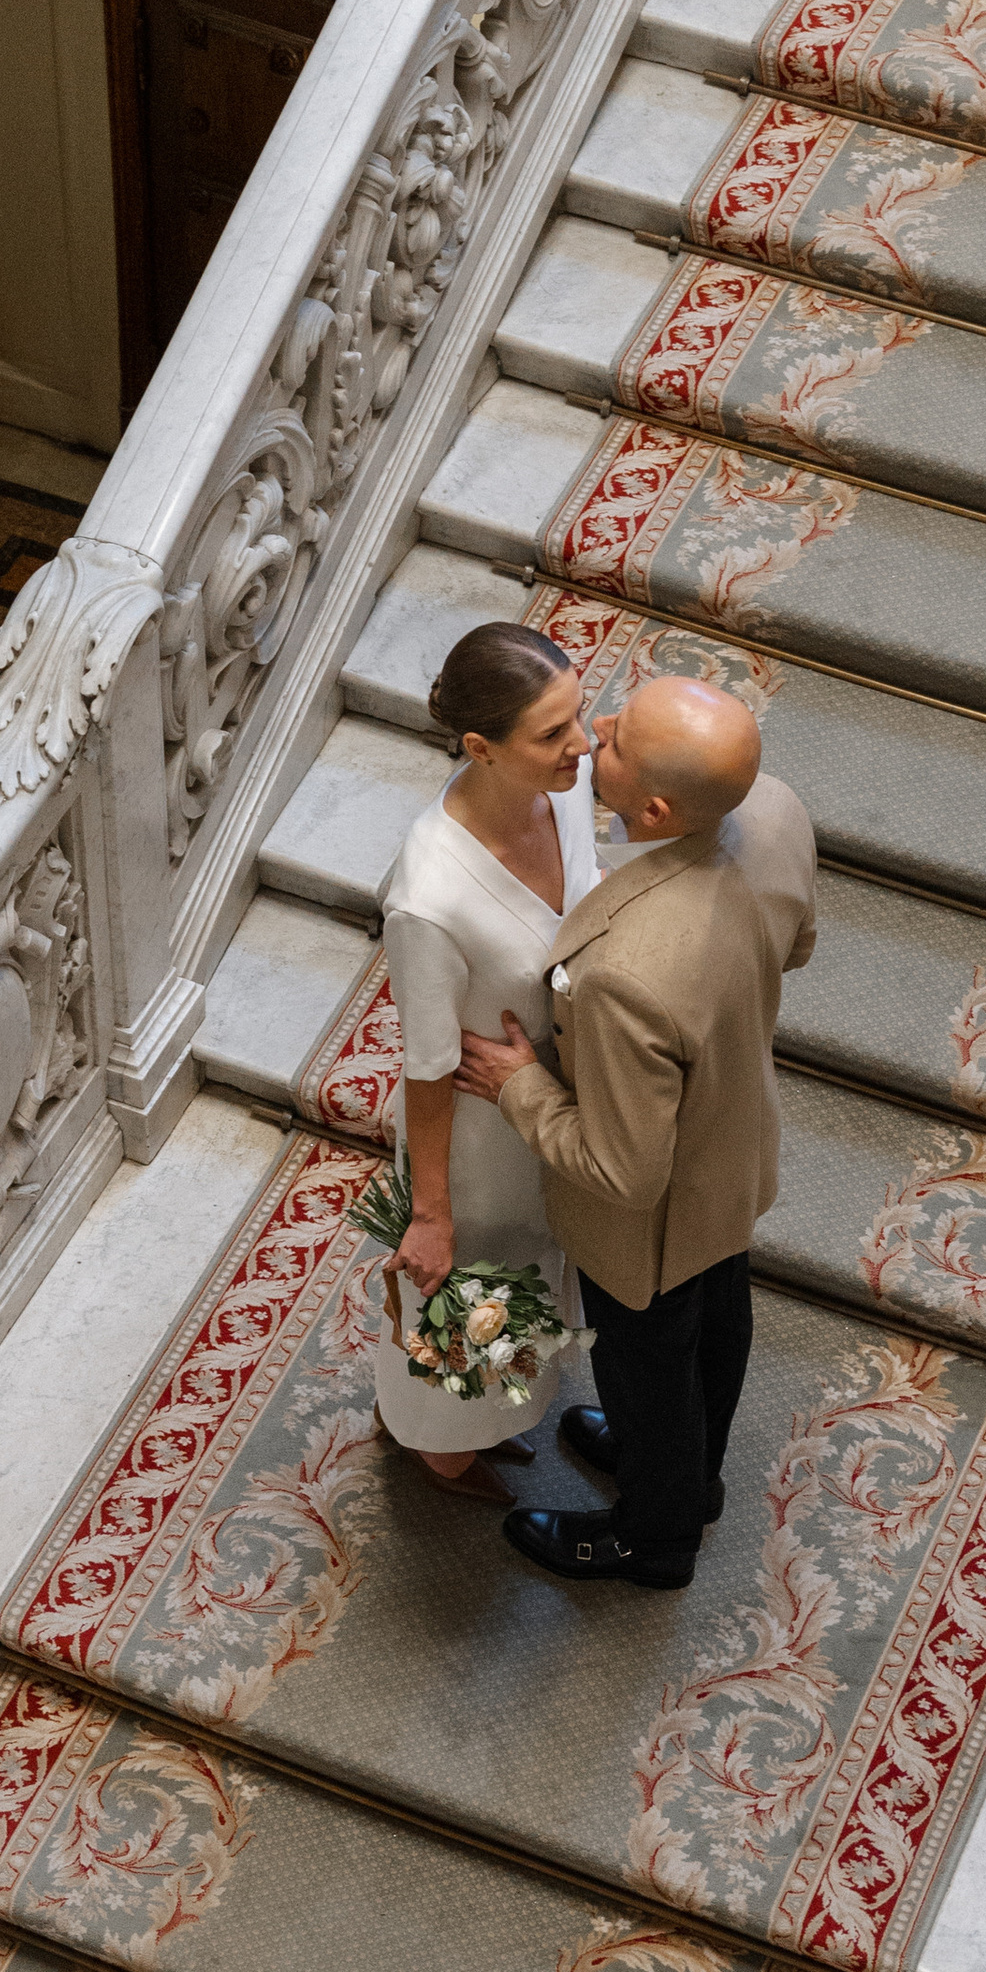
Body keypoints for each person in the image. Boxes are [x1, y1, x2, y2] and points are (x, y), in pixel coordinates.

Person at [458, 671, 817, 1590]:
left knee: (648, 1362)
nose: (596, 731)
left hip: (650, 1226)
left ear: (654, 807)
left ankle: (654, 1539)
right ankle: (689, 1477)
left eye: (612, 740)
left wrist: (520, 1085)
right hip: (736, 1147)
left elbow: (621, 1172)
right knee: (719, 1314)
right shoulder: (774, 811)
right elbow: (797, 943)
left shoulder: (627, 974)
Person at [373, 622, 601, 1499]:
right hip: (474, 1145)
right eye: (552, 732)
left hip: (550, 1102)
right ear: (481, 749)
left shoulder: (567, 788)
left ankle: (504, 1408)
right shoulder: (428, 900)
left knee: (542, 1269)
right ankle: (441, 1449)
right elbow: (427, 1067)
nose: (580, 743)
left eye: (578, 714)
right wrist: (431, 1214)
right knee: (474, 1290)